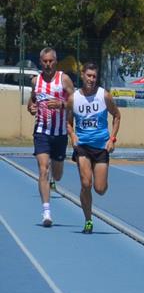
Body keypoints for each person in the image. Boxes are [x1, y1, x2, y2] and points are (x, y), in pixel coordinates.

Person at [66, 60, 120, 233]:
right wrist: (73, 135)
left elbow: (117, 116)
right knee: (85, 183)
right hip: (82, 146)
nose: (91, 79)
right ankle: (88, 220)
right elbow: (68, 123)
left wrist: (112, 139)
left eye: (94, 77)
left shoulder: (104, 95)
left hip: (100, 147)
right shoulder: (74, 98)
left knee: (100, 189)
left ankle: (100, 182)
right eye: (88, 76)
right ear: (82, 75)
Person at [27, 46, 73, 228]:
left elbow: (75, 101)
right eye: (44, 61)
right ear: (41, 62)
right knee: (43, 170)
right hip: (42, 132)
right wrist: (31, 108)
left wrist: (62, 105)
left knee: (58, 174)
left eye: (50, 61)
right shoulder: (35, 81)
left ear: (56, 61)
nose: (47, 64)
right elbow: (32, 100)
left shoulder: (64, 79)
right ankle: (46, 212)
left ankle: (55, 175)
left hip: (60, 133)